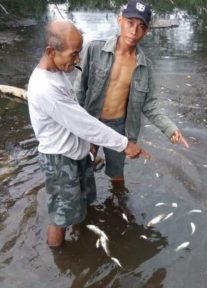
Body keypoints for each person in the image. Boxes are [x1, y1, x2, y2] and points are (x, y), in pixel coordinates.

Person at [27, 19, 149, 248]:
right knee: (60, 216)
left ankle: (83, 235)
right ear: (50, 51)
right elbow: (85, 124)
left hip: (75, 155)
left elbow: (77, 117)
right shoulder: (45, 89)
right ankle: (59, 257)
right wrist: (125, 144)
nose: (78, 60)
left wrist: (87, 147)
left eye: (79, 54)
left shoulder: (55, 72)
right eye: (73, 55)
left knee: (82, 203)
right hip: (60, 160)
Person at [74, 0, 189, 188]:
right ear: (120, 20)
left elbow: (149, 105)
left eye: (141, 26)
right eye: (130, 23)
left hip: (118, 128)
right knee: (82, 169)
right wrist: (75, 128)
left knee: (117, 175)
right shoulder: (94, 49)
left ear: (146, 31)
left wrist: (170, 129)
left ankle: (118, 206)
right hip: (91, 121)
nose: (134, 31)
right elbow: (78, 91)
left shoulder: (145, 67)